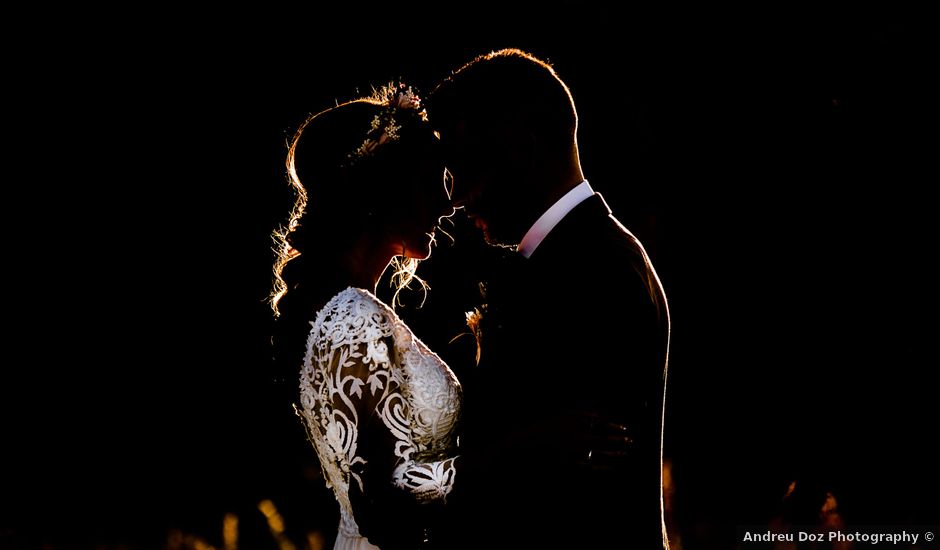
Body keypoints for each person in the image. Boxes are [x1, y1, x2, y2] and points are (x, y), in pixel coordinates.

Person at [427, 49, 672, 548]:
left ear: (523, 144)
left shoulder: (593, 270)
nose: (456, 198)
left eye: (468, 163)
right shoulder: (579, 256)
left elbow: (564, 487)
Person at [270, 84, 461, 550]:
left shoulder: (346, 309)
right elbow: (383, 507)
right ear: (386, 188)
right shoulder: (351, 317)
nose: (449, 201)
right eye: (434, 180)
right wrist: (526, 448)